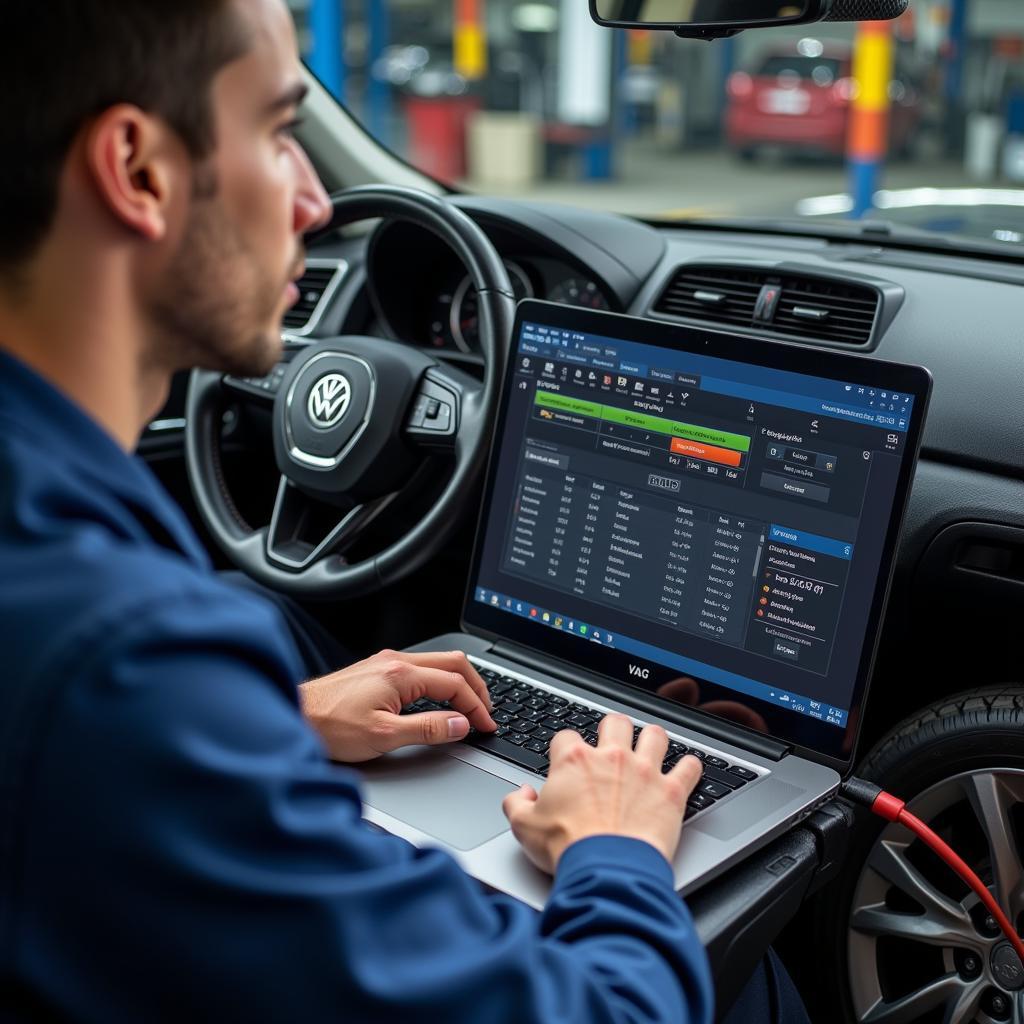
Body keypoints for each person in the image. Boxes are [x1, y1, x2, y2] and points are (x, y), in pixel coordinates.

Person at [0, 2, 809, 1021]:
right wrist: (614, 847)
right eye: (281, 131)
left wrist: (273, 733)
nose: (313, 202)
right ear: (138, 169)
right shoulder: (118, 662)